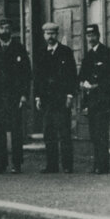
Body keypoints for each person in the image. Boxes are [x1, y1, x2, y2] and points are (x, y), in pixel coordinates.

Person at [0, 19, 32, 174]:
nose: (5, 31)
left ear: (11, 30)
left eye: (7, 28)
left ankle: (16, 164)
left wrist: (24, 95)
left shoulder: (19, 49)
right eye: (2, 28)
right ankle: (1, 164)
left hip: (14, 96)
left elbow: (27, 74)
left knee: (16, 130)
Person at [34, 21, 79, 172]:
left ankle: (67, 165)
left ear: (57, 35)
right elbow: (38, 77)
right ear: (44, 35)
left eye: (53, 34)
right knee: (49, 132)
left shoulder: (65, 52)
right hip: (47, 99)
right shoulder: (41, 53)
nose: (50, 37)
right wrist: (38, 97)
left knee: (64, 132)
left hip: (61, 98)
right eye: (48, 34)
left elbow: (72, 75)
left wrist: (70, 95)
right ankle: (51, 165)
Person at [78, 23, 110, 174]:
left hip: (103, 99)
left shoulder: (107, 53)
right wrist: (83, 84)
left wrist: (97, 86)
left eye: (93, 35)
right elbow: (81, 76)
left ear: (98, 35)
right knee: (94, 133)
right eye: (88, 36)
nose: (91, 38)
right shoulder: (88, 56)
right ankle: (96, 163)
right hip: (90, 100)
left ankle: (103, 164)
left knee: (102, 133)